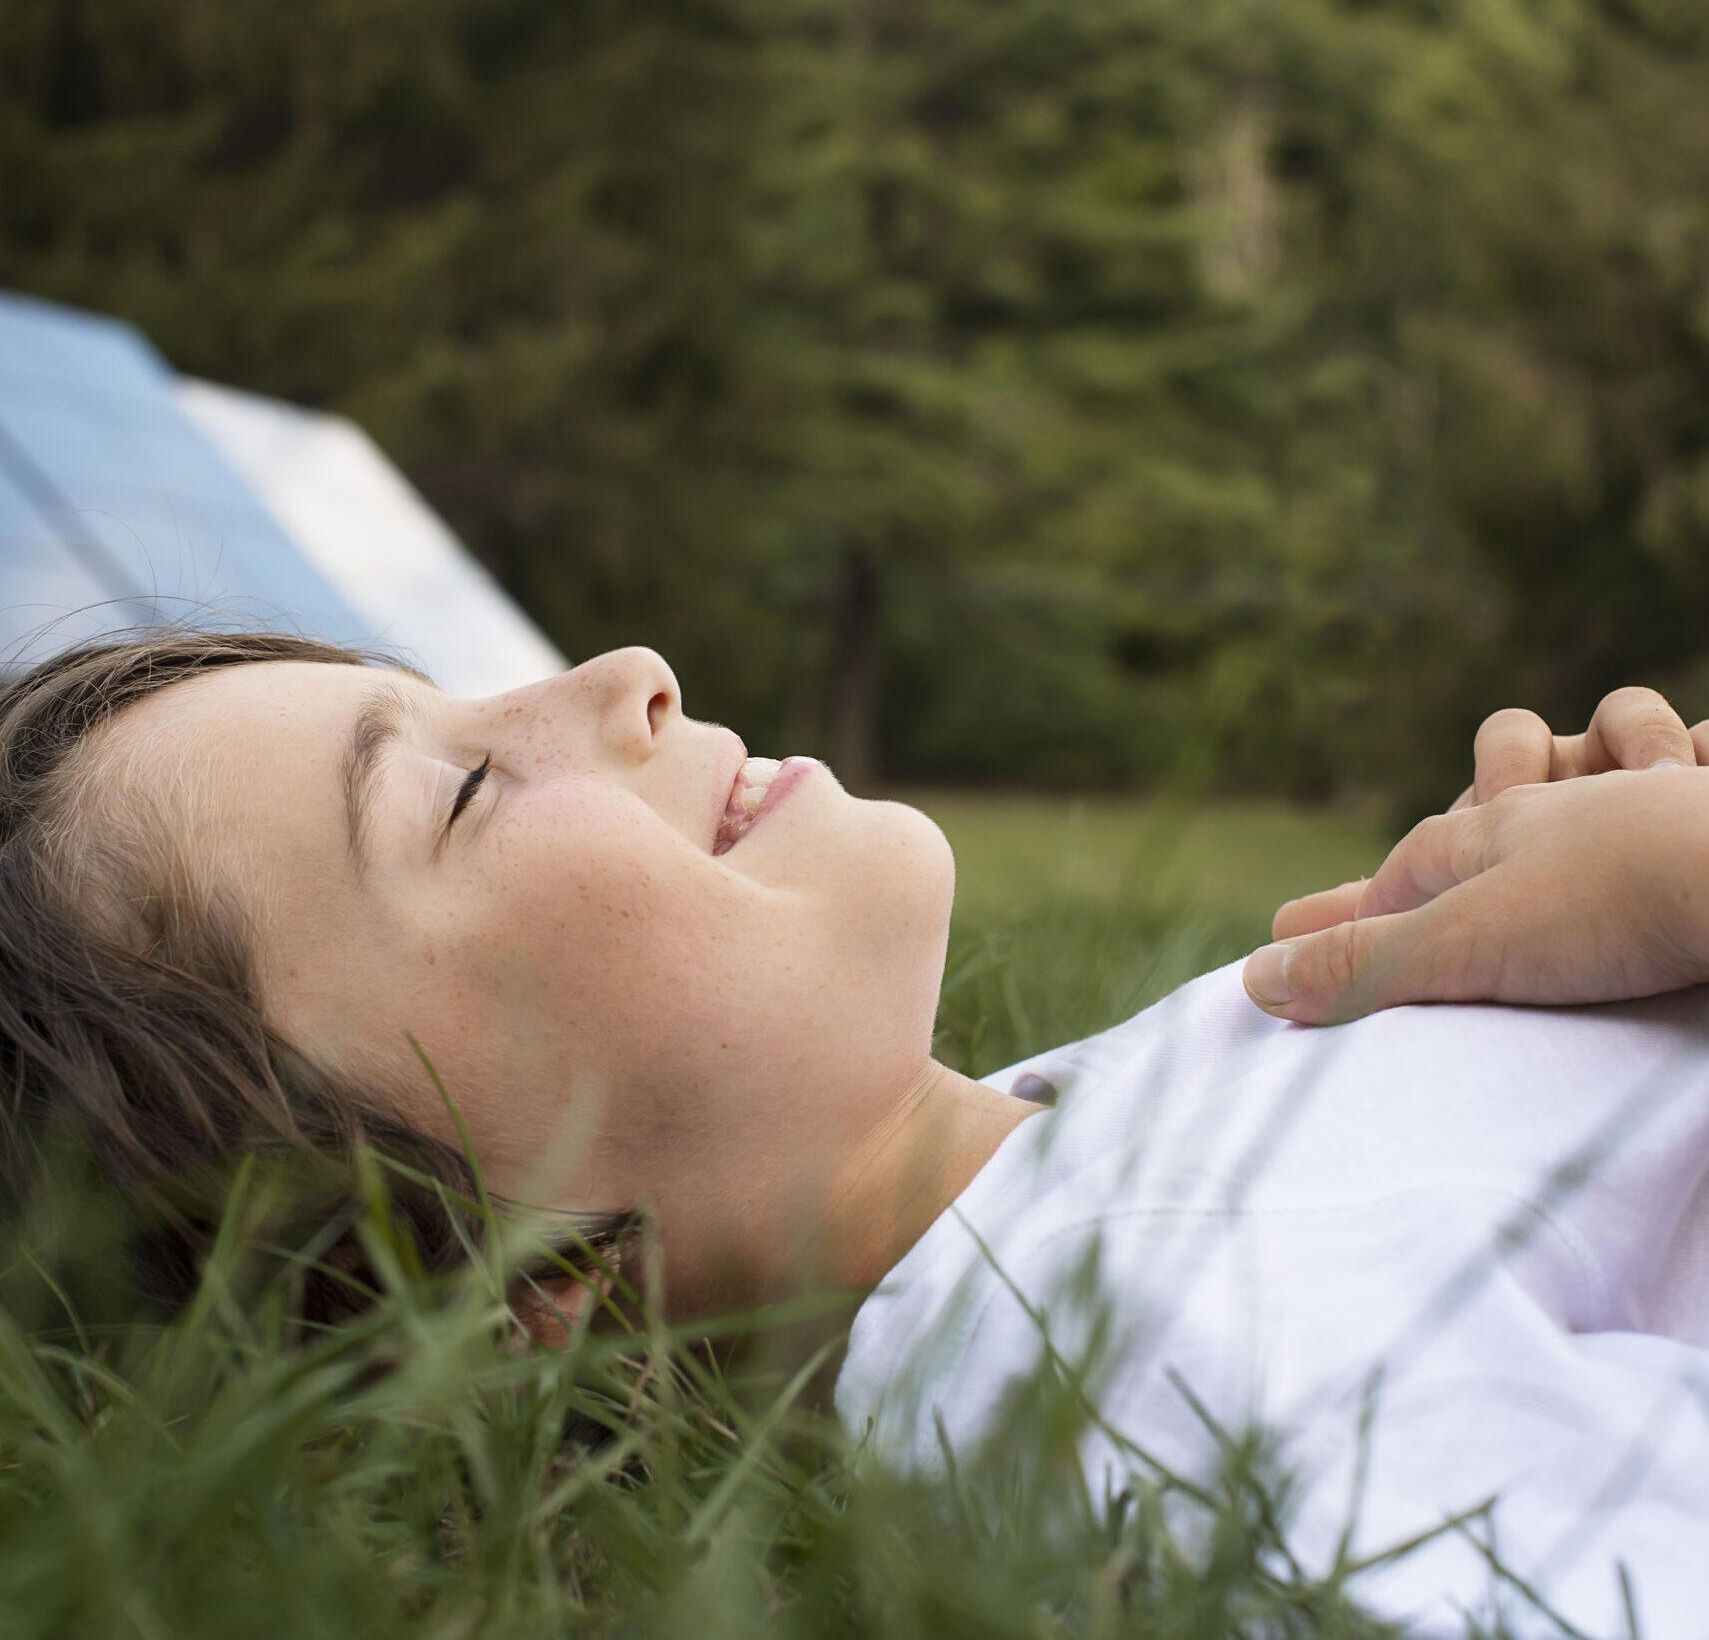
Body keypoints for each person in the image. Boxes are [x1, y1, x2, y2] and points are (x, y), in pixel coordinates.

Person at [3, 630, 1708, 1636]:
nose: (621, 676)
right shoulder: (1151, 1371)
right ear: (482, 1273)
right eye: (453, 788)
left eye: (463, 696)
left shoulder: (1104, 1156)